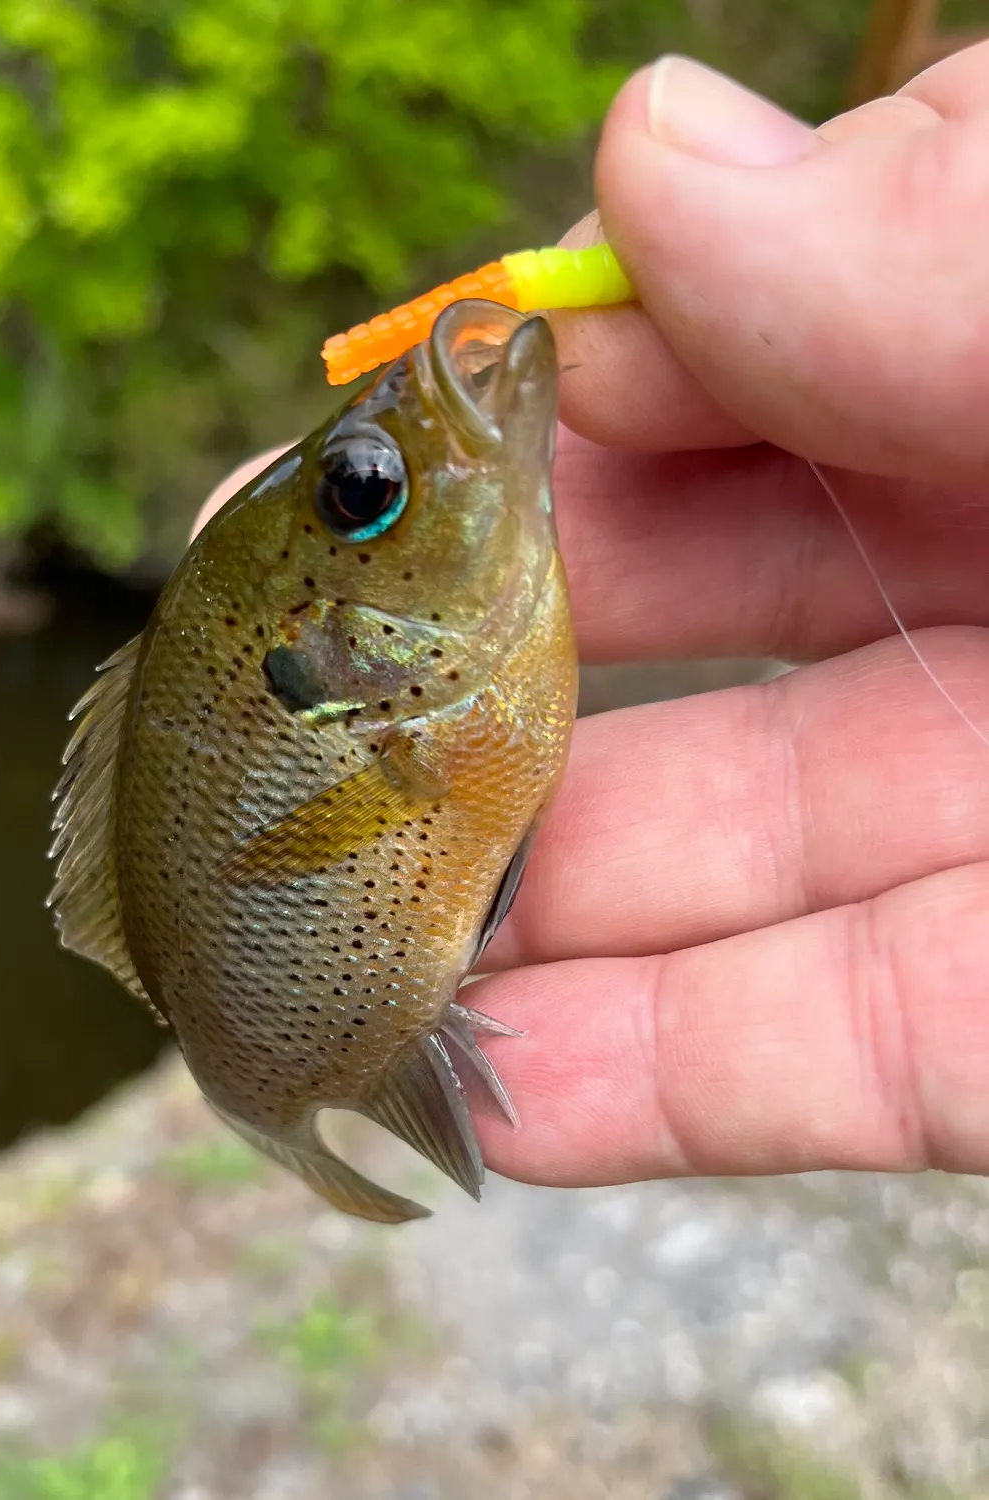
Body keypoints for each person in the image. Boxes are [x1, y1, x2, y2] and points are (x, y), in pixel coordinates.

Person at [192, 47, 989, 1187]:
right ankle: (284, 1116)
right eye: (368, 493)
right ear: (323, 659)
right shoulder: (397, 712)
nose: (403, 448)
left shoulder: (428, 680)